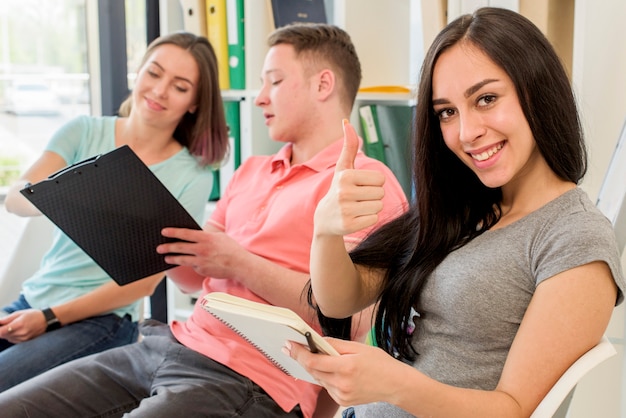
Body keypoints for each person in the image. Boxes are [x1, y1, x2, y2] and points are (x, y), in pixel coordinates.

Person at [0, 23, 408, 418]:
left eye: (275, 82)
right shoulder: (251, 171)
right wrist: (161, 237)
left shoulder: (365, 184)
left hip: (251, 377)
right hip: (168, 343)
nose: (260, 98)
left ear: (322, 85)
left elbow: (347, 321)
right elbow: (195, 279)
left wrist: (237, 262)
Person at [285, 7, 626, 418]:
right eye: (447, 112)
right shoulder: (463, 210)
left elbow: (514, 410)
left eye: (486, 99)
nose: (466, 133)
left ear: (537, 91)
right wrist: (326, 231)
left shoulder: (575, 238)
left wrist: (393, 383)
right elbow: (341, 300)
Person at [0, 32, 229, 392]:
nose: (159, 90)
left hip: (101, 321)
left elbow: (144, 282)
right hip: (33, 299)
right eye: (154, 73)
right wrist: (59, 198)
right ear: (138, 73)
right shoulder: (82, 132)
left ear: (195, 103)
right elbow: (16, 199)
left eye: (180, 86)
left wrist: (48, 318)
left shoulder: (192, 176)